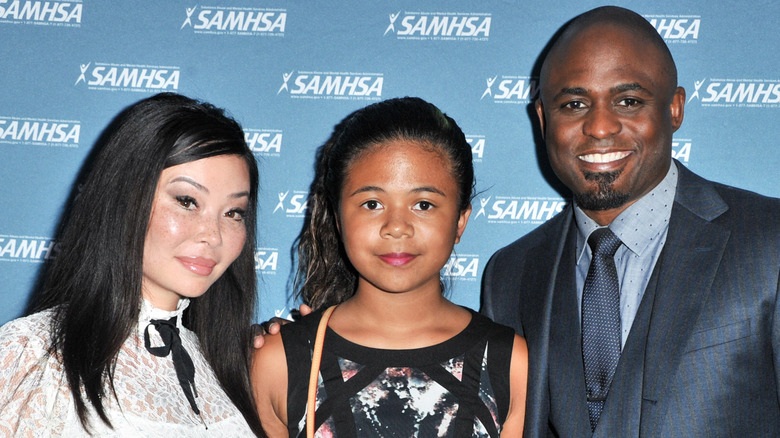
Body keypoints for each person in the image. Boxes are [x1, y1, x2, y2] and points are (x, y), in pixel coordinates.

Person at [481, 6, 780, 437]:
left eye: (628, 101)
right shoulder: (510, 274)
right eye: (574, 103)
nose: (600, 127)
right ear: (544, 118)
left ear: (674, 108)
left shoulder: (769, 244)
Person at [252, 97, 527, 437]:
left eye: (423, 204)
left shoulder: (508, 361)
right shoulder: (280, 361)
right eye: (372, 203)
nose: (396, 226)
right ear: (338, 219)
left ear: (460, 221)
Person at [0, 93, 265, 436]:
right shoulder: (35, 352)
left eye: (233, 213)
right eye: (187, 201)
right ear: (126, 198)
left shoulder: (227, 365)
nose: (212, 235)